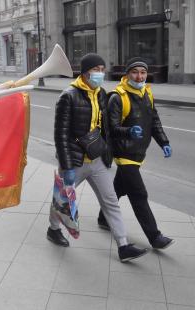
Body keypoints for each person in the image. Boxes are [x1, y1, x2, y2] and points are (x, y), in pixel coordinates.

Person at [47, 53, 148, 262]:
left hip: (97, 160)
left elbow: (107, 128)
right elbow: (60, 135)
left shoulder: (101, 93)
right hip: (74, 161)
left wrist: (127, 132)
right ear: (84, 73)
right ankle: (53, 229)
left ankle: (123, 245)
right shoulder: (68, 96)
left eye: (102, 69)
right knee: (62, 198)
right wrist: (67, 167)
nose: (100, 73)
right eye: (96, 70)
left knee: (110, 200)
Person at [97, 57, 174, 250]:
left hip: (139, 152)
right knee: (139, 193)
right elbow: (110, 128)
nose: (139, 76)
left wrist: (164, 142)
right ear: (127, 74)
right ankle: (155, 237)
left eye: (143, 72)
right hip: (123, 152)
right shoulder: (118, 97)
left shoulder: (147, 93)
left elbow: (154, 122)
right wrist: (128, 131)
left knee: (119, 188)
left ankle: (103, 218)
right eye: (135, 72)